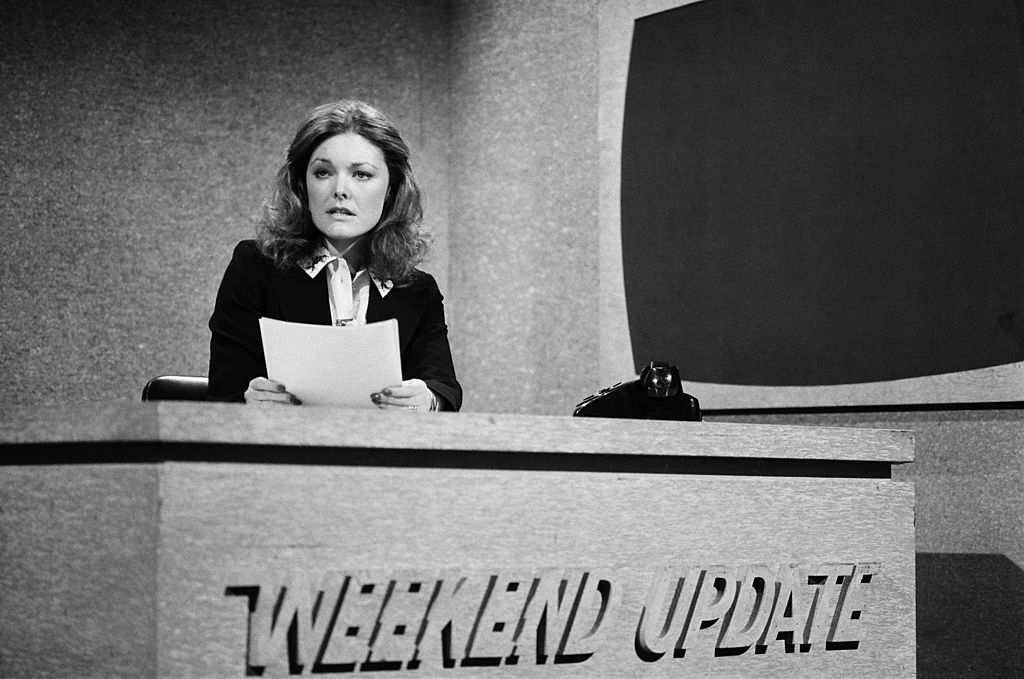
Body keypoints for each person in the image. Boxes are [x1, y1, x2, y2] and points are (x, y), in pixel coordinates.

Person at [208, 100, 462, 411]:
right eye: (323, 172)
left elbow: (444, 389)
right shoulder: (256, 267)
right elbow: (225, 393)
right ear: (303, 185)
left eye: (362, 175)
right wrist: (250, 401)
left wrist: (427, 400)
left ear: (392, 191)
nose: (340, 189)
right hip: (280, 452)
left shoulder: (418, 291)